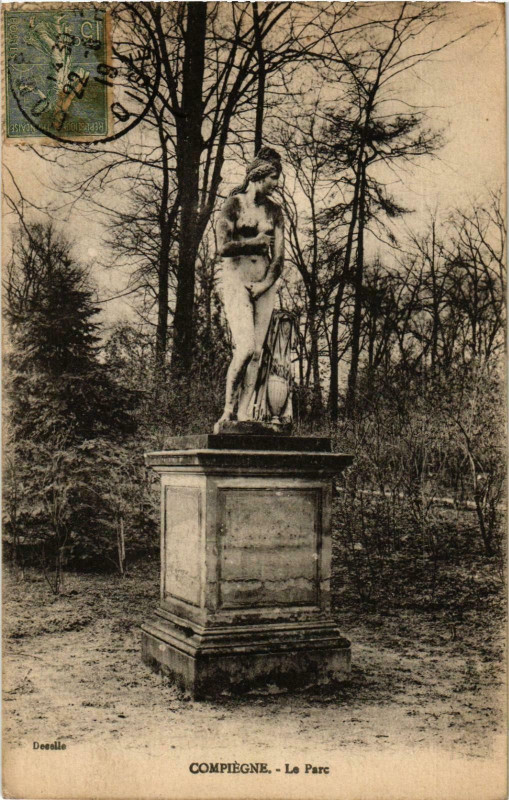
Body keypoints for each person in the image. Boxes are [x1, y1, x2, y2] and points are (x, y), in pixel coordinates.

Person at [215, 147, 284, 427]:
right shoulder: (233, 205)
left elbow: (279, 258)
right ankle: (227, 411)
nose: (276, 184)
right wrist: (254, 242)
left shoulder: (275, 211)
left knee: (257, 353)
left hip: (263, 284)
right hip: (236, 279)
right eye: (274, 177)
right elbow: (223, 247)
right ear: (260, 175)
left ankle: (244, 413)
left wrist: (266, 284)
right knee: (244, 347)